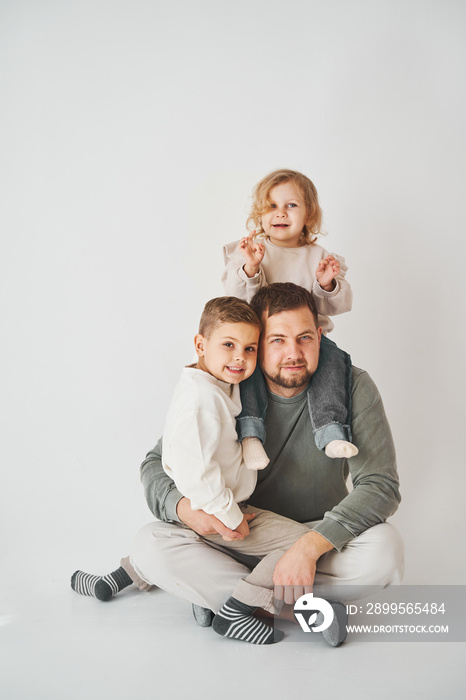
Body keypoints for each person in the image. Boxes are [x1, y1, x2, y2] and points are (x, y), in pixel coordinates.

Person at [72, 283, 404, 647]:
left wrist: (309, 548)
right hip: (230, 531)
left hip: (310, 533)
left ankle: (220, 597)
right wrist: (185, 511)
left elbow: (380, 486)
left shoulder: (352, 385)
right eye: (277, 340)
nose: (293, 352)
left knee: (385, 550)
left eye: (304, 338)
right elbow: (157, 462)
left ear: (320, 336)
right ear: (258, 343)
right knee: (151, 543)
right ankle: (292, 605)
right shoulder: (228, 384)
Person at [222, 169, 357, 469]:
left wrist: (325, 284)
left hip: (309, 341)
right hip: (263, 338)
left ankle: (330, 429)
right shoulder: (254, 251)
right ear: (260, 214)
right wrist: (251, 269)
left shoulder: (318, 255)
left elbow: (337, 305)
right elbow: (235, 300)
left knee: (334, 361)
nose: (280, 213)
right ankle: (250, 434)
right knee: (248, 369)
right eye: (271, 206)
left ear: (309, 214)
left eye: (291, 205)